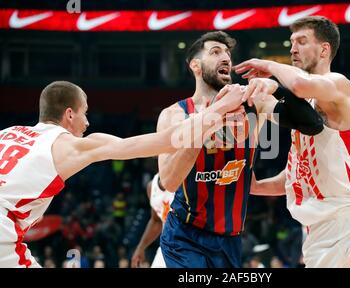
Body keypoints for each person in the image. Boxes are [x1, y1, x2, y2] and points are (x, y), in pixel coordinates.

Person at [0, 80, 247, 268]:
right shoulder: (69, 145)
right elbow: (166, 141)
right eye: (84, 113)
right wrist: (221, 108)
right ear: (69, 114)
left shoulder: (8, 133)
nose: (87, 123)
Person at [237, 16, 350, 268]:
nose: (293, 49)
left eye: (302, 41)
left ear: (324, 49)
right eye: (291, 42)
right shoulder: (302, 110)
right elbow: (297, 176)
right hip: (318, 237)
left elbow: (301, 85)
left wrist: (269, 66)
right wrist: (255, 185)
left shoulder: (340, 86)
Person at [158, 31, 324, 268]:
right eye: (215, 52)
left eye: (227, 53)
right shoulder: (175, 114)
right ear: (195, 65)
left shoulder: (252, 105)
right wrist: (207, 122)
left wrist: (275, 86)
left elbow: (313, 124)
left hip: (231, 238)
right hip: (185, 235)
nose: (226, 57)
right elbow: (169, 181)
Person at [131, 173, 174, 268]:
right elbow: (156, 221)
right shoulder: (152, 186)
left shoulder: (185, 181)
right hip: (167, 247)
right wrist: (141, 247)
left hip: (190, 246)